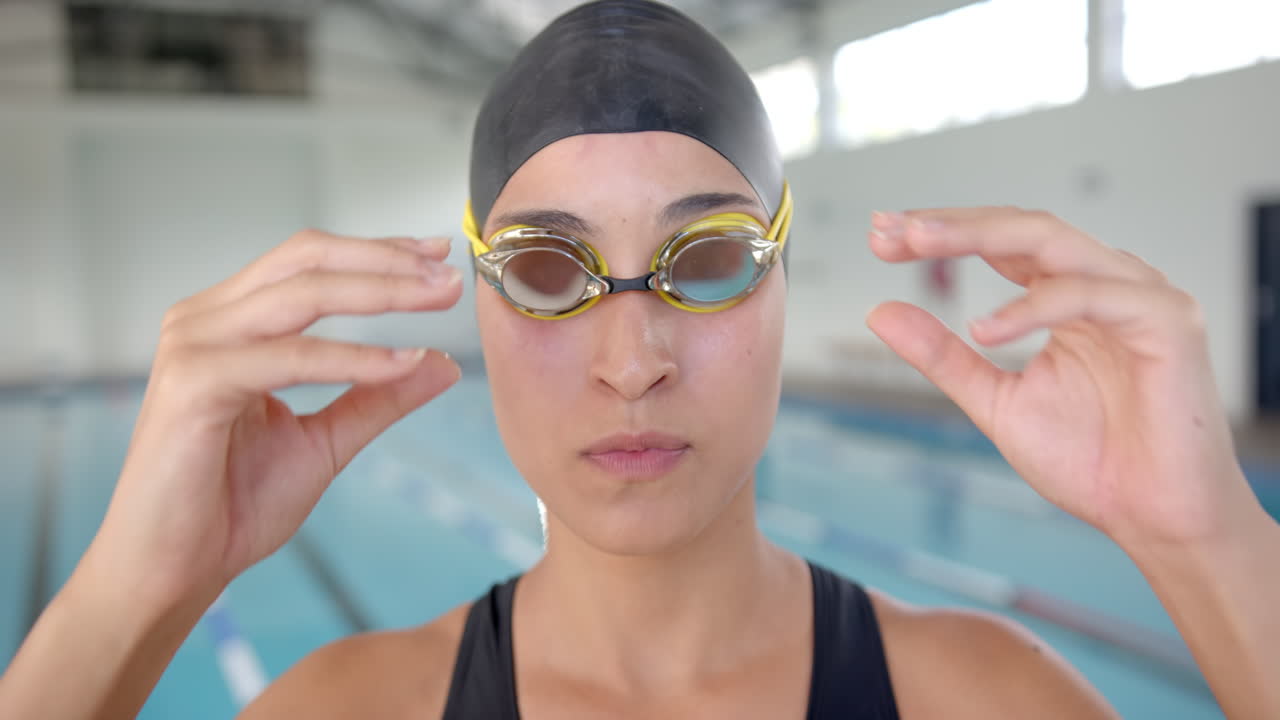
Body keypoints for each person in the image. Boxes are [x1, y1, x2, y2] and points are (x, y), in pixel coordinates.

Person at [2, 1, 1277, 718]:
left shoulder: (983, 701)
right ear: (480, 298)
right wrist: (132, 591)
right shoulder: (345, 712)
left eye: (707, 259)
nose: (632, 361)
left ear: (780, 277)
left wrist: (1205, 536)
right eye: (547, 272)